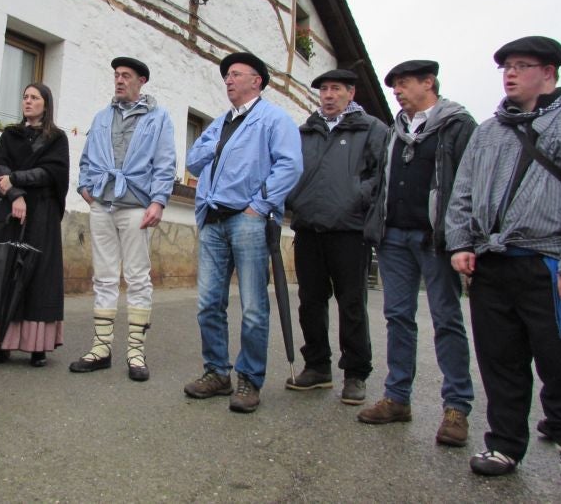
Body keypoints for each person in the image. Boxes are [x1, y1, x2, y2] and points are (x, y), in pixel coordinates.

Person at [446, 36, 561, 499]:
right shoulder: (487, 131)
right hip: (491, 265)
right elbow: (462, 191)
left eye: (522, 66)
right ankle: (505, 445)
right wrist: (461, 242)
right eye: (506, 66)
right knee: (501, 362)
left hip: (549, 266)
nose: (510, 73)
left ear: (549, 73)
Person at [358, 60, 475, 446]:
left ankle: (456, 408)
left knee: (446, 319)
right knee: (397, 317)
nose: (397, 90)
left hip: (434, 239)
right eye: (394, 85)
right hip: (394, 237)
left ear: (429, 83)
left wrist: (464, 238)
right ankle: (397, 397)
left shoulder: (457, 126)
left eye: (404, 83)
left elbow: (468, 184)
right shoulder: (396, 130)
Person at [183, 52, 303, 413]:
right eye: (226, 76)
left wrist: (260, 205)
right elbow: (193, 161)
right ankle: (217, 373)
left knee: (253, 306)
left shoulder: (275, 119)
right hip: (213, 220)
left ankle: (249, 380)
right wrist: (212, 141)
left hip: (248, 219)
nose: (228, 81)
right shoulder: (220, 123)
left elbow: (290, 165)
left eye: (235, 74)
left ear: (257, 81)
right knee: (208, 304)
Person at [284, 69, 387, 405]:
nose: (328, 95)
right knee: (310, 302)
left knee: (352, 303)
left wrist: (357, 197)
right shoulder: (305, 132)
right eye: (323, 89)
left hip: (350, 229)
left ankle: (356, 373)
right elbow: (289, 170)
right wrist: (293, 201)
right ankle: (317, 367)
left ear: (350, 93)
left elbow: (381, 175)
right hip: (309, 227)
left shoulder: (370, 128)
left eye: (335, 89)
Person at [70, 57, 175, 381]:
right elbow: (87, 157)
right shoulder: (102, 117)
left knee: (137, 277)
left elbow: (166, 162)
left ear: (141, 81)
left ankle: (135, 353)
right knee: (103, 277)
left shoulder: (159, 118)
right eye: (116, 75)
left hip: (135, 207)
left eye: (125, 76)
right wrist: (86, 189)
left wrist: (158, 201)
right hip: (102, 204)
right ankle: (101, 348)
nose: (119, 80)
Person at [0, 83, 69, 367]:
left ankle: (37, 345)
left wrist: (17, 181)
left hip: (42, 215)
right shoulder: (11, 134)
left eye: (34, 97)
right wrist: (15, 195)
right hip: (8, 212)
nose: (28, 101)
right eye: (25, 97)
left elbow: (53, 172)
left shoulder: (57, 138)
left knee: (37, 277)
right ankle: (1, 343)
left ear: (46, 104)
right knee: (1, 273)